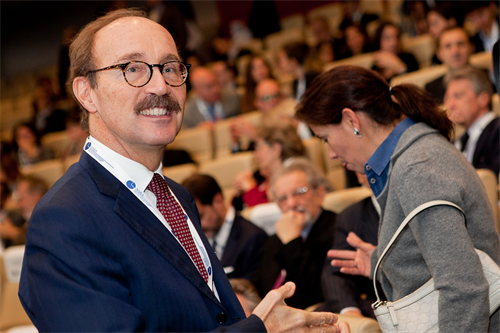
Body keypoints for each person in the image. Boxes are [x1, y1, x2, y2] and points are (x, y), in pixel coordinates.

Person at [19, 9, 347, 333]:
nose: (161, 86)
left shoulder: (177, 195)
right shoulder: (62, 220)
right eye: (133, 68)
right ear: (86, 92)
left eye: (171, 68)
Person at [295, 64, 500, 332]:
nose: (331, 153)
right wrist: (386, 261)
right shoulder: (411, 157)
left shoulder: (416, 167)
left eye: (325, 138)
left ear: (351, 121)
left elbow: (463, 288)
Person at [252, 159, 335, 310]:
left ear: (320, 194)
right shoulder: (274, 240)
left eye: (299, 193)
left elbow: (319, 292)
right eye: (283, 198)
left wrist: (292, 242)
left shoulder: (337, 228)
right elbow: (262, 288)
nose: (291, 203)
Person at [182, 174, 268, 280]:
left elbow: (251, 292)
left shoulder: (252, 238)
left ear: (218, 200)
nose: (197, 226)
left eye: (200, 216)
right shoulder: (195, 239)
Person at [318, 173, 379, 318]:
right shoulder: (351, 215)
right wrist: (349, 310)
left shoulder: (417, 199)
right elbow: (335, 273)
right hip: (372, 305)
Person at [233, 122, 306, 210]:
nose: (256, 155)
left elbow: (272, 213)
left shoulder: (294, 177)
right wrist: (240, 194)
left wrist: (250, 190)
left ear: (276, 149)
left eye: (259, 148)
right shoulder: (262, 176)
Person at [444, 67, 500, 177]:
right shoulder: (457, 140)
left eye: (458, 96)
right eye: (447, 98)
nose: (450, 105)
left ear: (483, 99)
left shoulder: (497, 131)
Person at [425, 27, 474, 103]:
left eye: (460, 44)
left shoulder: (489, 76)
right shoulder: (431, 90)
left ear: (471, 47)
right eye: (448, 46)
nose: (455, 51)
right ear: (439, 54)